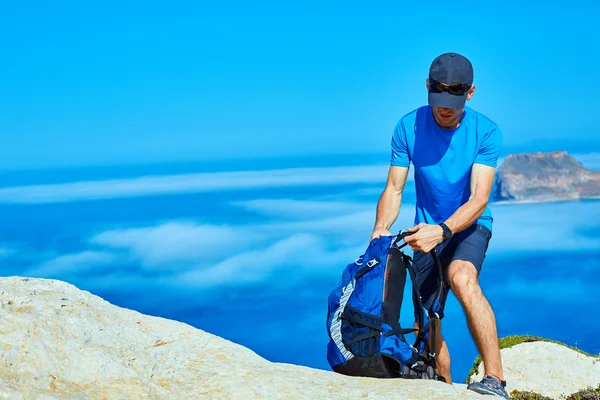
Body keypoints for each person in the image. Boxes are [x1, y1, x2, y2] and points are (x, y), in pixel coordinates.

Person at [370, 52, 509, 399]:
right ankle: (443, 389)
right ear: (427, 87)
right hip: (426, 232)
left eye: (454, 99)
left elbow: (479, 199)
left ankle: (496, 380)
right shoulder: (408, 126)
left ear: (470, 93)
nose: (444, 108)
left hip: (469, 225)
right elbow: (394, 188)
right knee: (427, 324)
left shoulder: (486, 132)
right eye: (438, 97)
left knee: (461, 278)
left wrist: (444, 230)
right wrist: (379, 230)